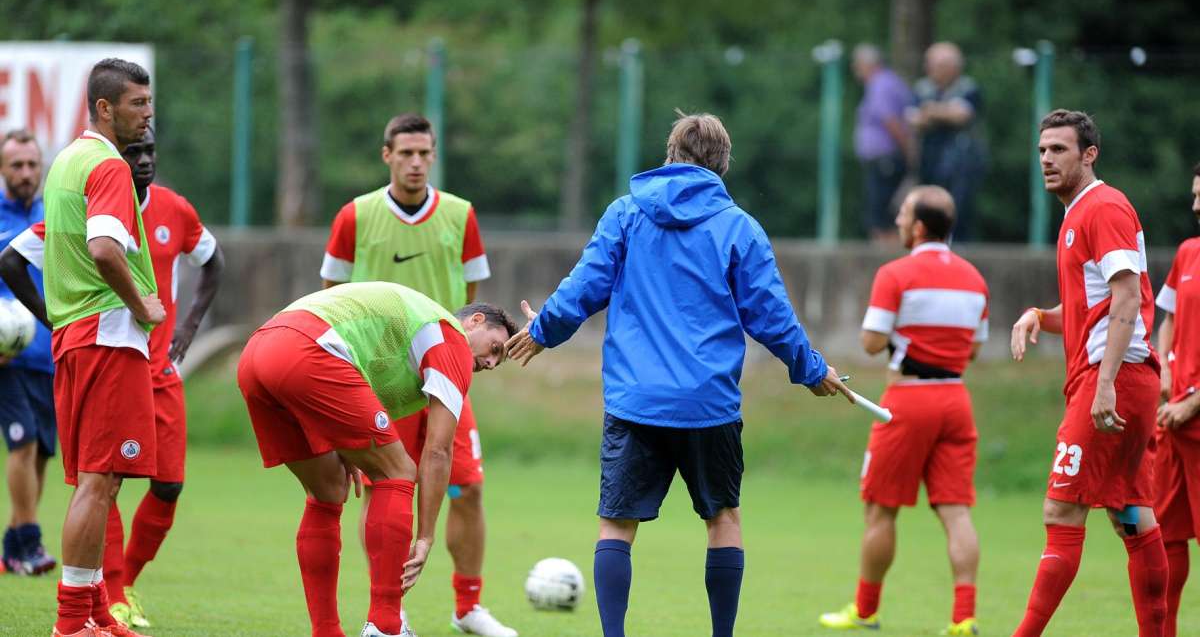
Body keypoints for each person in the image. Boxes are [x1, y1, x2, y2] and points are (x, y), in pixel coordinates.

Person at [504, 111, 854, 637]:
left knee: (616, 525)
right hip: (707, 404)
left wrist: (543, 330)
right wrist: (812, 370)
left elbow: (583, 286)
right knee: (723, 520)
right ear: (722, 164)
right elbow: (771, 315)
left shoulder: (626, 214)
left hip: (635, 402)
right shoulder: (739, 228)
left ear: (669, 155)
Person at [2, 127, 226, 627]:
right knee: (101, 479)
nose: (143, 159)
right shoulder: (91, 204)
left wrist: (184, 328)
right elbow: (19, 259)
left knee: (161, 485)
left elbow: (214, 262)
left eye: (150, 150)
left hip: (155, 366)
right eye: (133, 151)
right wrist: (60, 318)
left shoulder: (174, 209)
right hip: (106, 350)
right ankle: (99, 602)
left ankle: (107, 600)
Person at [320, 113, 513, 637]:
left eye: (424, 154)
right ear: (387, 155)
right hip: (382, 381)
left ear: (433, 156)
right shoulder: (354, 216)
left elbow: (473, 299)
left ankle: (467, 607)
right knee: (385, 484)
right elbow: (330, 292)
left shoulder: (460, 215)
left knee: (467, 487)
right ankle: (390, 606)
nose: (415, 163)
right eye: (405, 153)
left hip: (445, 371)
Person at [236, 282, 516, 637]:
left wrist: (348, 443)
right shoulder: (451, 338)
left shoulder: (414, 335)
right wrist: (426, 536)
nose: (491, 362)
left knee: (329, 491)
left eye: (498, 360)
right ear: (475, 320)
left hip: (258, 352)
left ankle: (326, 632)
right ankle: (386, 627)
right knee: (398, 471)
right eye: (495, 348)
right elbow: (438, 450)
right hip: (310, 348)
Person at [1010, 109, 1167, 636]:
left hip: (1114, 378)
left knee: (1061, 513)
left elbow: (1128, 296)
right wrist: (1038, 315)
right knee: (1130, 513)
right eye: (1042, 151)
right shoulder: (1080, 212)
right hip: (1120, 376)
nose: (1047, 160)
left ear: (1089, 153)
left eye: (1059, 149)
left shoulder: (1103, 207)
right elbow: (1092, 308)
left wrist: (1103, 386)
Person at [818, 185, 987, 635]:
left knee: (880, 510)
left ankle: (866, 611)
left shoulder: (896, 273)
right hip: (956, 399)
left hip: (908, 402)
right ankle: (964, 617)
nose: (895, 222)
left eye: (903, 215)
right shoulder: (975, 278)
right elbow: (972, 349)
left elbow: (871, 343)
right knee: (957, 512)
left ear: (917, 227)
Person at [40, 58, 161, 637]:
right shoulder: (109, 165)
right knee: (97, 480)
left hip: (76, 335)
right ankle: (71, 623)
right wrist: (144, 307)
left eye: (149, 102)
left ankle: (92, 612)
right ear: (105, 108)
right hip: (107, 335)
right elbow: (107, 249)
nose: (148, 114)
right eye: (137, 103)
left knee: (103, 479)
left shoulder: (69, 158)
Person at [0, 129, 57, 576]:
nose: (25, 173)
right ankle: (30, 544)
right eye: (16, 165)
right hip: (7, 357)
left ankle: (13, 543)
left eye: (31, 164)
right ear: (3, 170)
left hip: (51, 354)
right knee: (23, 444)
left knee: (41, 454)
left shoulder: (52, 213)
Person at [1151, 162, 1200, 637]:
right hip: (1173, 421)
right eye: (1194, 194)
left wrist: (1194, 400)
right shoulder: (1188, 252)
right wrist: (1164, 368)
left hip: (1195, 418)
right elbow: (1165, 318)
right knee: (1167, 537)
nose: (1195, 205)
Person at [909, 42, 986, 242]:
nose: (930, 69)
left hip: (962, 161)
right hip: (929, 159)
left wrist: (931, 112)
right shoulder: (923, 88)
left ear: (953, 67)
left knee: (959, 208)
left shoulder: (968, 88)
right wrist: (944, 112)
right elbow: (913, 120)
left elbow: (962, 115)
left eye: (937, 65)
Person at [851, 44, 914, 243]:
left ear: (868, 64)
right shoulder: (882, 84)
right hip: (882, 159)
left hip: (885, 159)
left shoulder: (881, 85)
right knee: (879, 210)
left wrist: (908, 152)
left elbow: (891, 121)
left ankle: (886, 252)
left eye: (857, 64)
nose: (855, 69)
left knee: (882, 212)